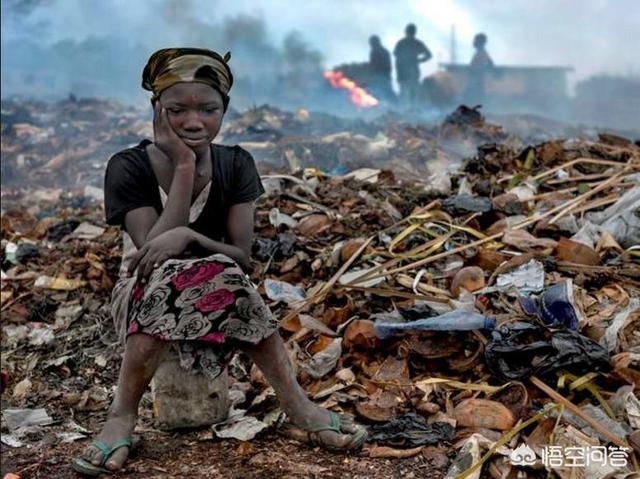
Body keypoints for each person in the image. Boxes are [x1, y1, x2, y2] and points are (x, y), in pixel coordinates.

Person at [71, 47, 367, 476]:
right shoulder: (127, 166)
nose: (194, 122)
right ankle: (121, 416)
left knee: (222, 271)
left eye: (208, 109)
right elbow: (152, 253)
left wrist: (190, 235)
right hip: (141, 292)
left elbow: (242, 258)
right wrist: (186, 165)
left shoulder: (236, 163)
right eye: (177, 110)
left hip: (224, 292)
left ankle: (297, 405)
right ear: (157, 110)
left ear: (224, 109)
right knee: (175, 275)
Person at [393, 23, 432, 107]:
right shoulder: (406, 43)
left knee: (409, 92)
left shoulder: (404, 43)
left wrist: (419, 60)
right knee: (407, 92)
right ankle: (407, 110)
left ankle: (409, 110)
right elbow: (396, 55)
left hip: (410, 71)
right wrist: (418, 60)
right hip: (405, 71)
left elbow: (429, 55)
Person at [466, 33, 494, 105]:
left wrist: (476, 71)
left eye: (475, 40)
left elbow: (489, 64)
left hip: (478, 80)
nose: (474, 42)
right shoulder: (479, 52)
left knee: (478, 96)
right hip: (477, 79)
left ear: (480, 43)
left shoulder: (482, 53)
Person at [368, 35, 395, 102]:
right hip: (378, 77)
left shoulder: (382, 51)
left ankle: (395, 106)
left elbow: (387, 66)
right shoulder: (374, 51)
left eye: (372, 43)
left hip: (383, 76)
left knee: (387, 92)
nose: (372, 45)